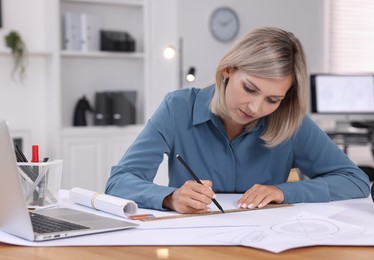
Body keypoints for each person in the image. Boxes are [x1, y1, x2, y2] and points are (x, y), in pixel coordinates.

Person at [105, 27, 371, 213]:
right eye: (250, 89)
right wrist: (169, 197)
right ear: (228, 71)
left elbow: (355, 181)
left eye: (273, 99)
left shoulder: (290, 121)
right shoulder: (178, 108)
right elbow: (119, 181)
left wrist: (282, 192)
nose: (255, 107)